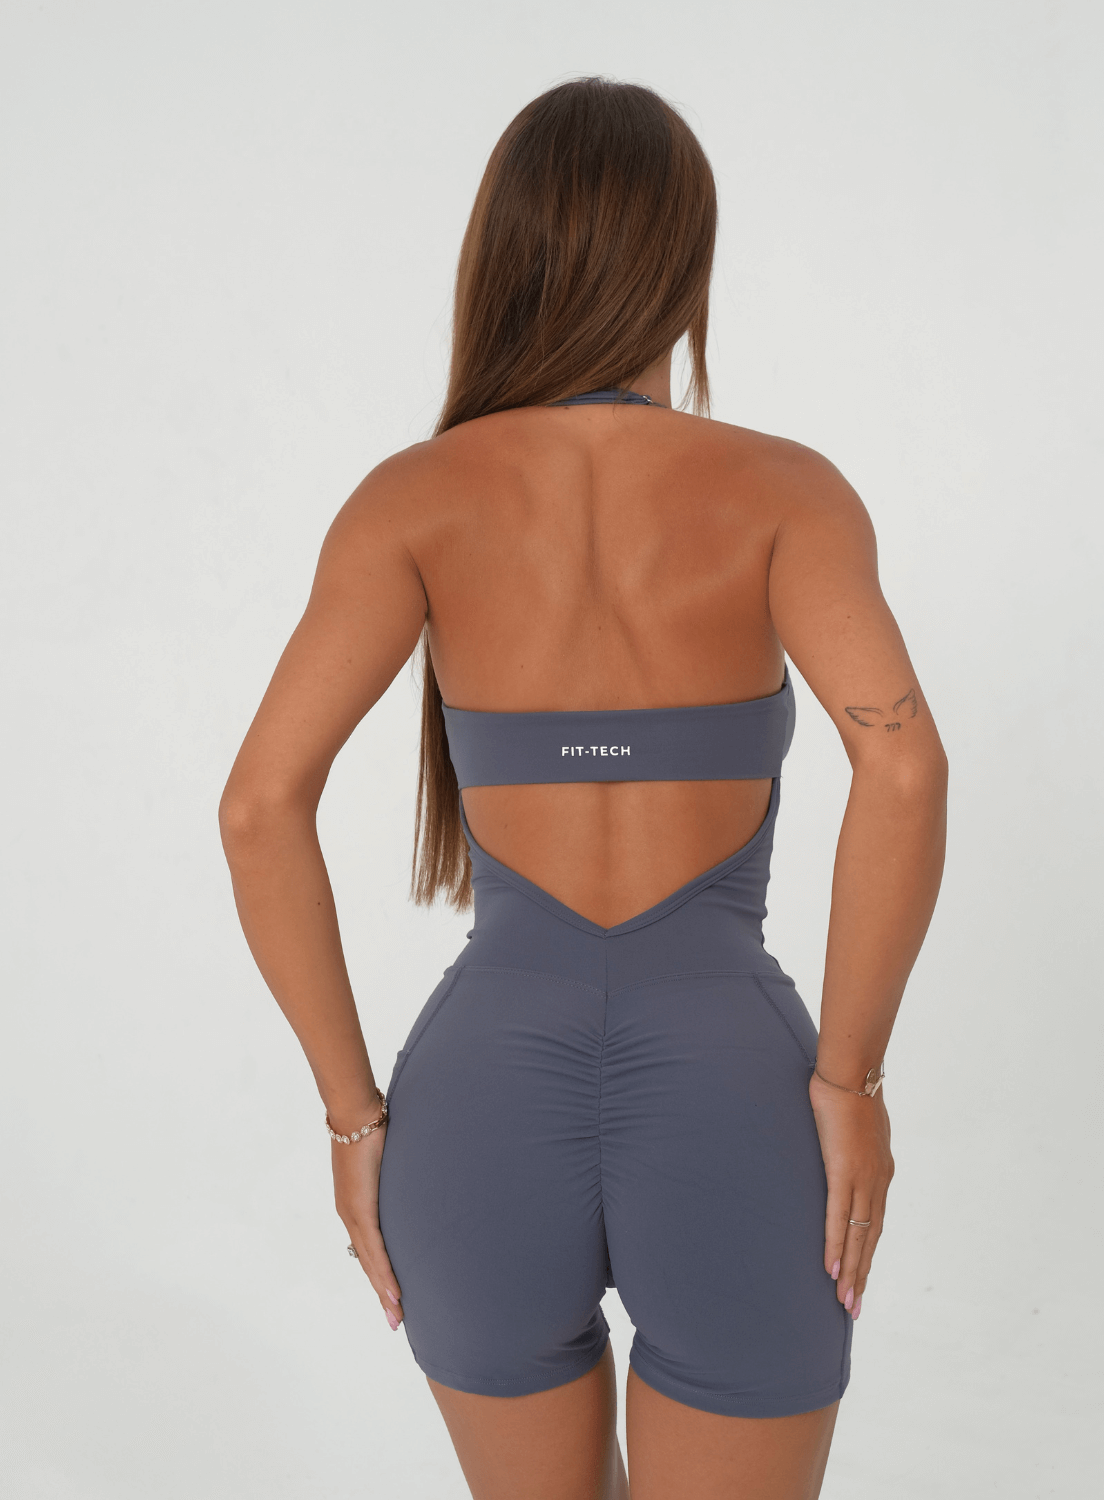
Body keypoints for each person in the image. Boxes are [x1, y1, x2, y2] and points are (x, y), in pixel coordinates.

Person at [219, 76, 948, 1500]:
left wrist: (354, 1122)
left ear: (502, 255)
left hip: (479, 1099)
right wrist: (851, 1083)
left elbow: (258, 807)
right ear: (686, 261)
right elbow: (903, 763)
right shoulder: (787, 493)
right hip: (735, 1097)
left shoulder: (413, 499)